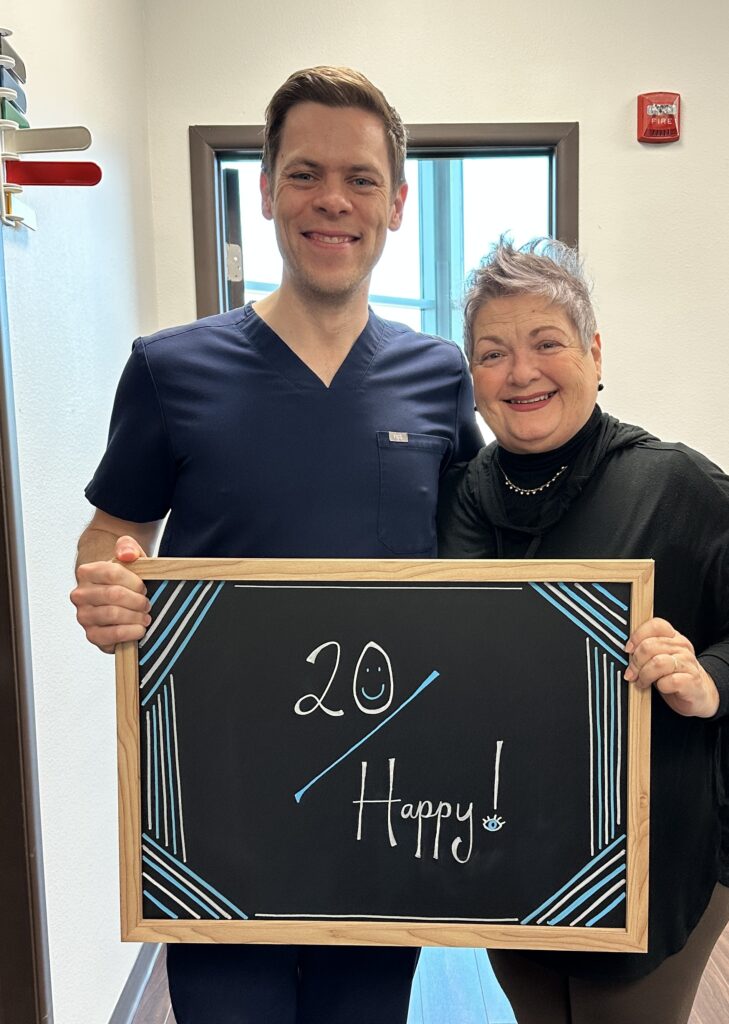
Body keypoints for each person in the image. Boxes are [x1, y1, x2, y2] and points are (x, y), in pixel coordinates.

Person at [69, 67, 481, 1024]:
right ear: (264, 190)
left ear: (396, 203)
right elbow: (112, 534)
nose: (331, 200)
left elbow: (478, 561)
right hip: (217, 810)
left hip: (390, 811)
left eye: (360, 179)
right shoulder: (171, 368)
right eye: (304, 174)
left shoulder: (439, 376)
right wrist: (106, 588)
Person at [437, 237, 729, 1024]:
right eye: (492, 353)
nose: (519, 372)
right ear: (472, 378)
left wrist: (708, 678)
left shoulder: (677, 486)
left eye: (546, 343)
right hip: (509, 852)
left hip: (654, 857)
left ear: (593, 353)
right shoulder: (460, 500)